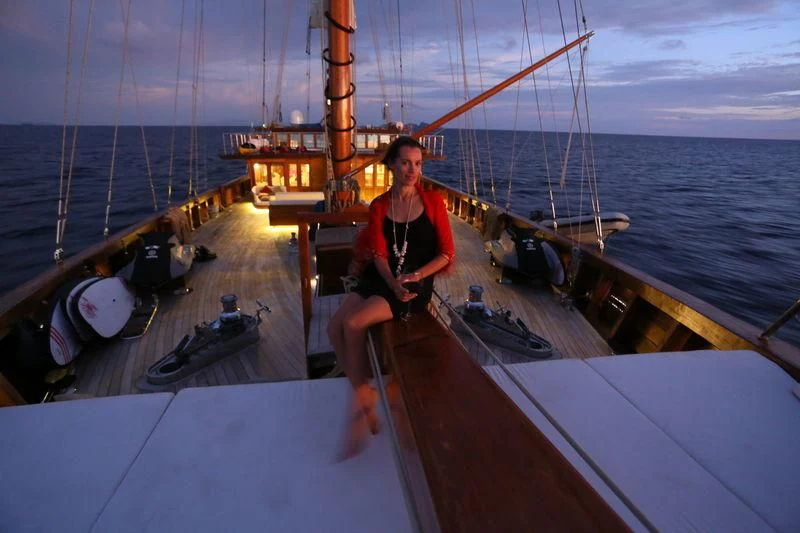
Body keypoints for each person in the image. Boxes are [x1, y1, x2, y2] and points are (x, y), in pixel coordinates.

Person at [327, 136, 455, 458]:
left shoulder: (433, 202)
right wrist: (391, 283)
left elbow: (447, 254)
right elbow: (380, 255)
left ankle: (361, 396)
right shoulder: (380, 205)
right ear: (392, 166)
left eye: (418, 164)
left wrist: (414, 278)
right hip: (382, 277)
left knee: (354, 323)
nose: (412, 170)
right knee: (334, 327)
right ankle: (363, 387)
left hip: (415, 281)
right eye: (405, 163)